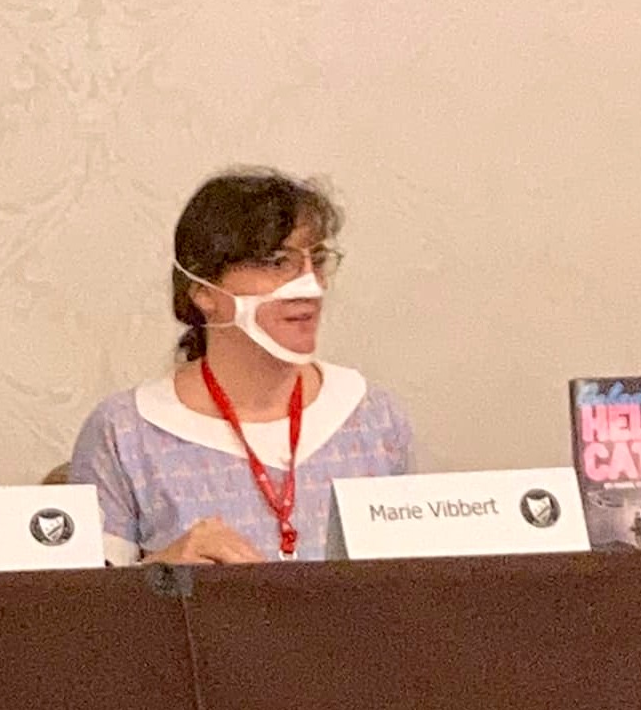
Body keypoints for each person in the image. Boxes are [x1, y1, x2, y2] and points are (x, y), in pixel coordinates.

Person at [70, 167, 413, 564]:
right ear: (202, 290)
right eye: (276, 262)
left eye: (316, 260)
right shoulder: (124, 431)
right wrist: (160, 573)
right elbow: (86, 613)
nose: (310, 285)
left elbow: (411, 598)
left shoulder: (375, 418)